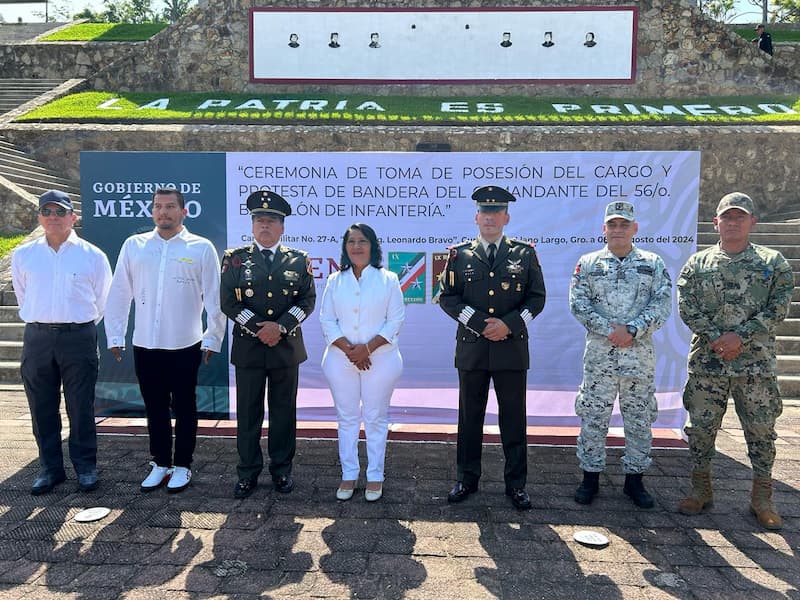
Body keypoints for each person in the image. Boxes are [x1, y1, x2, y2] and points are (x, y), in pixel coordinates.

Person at [677, 192, 793, 530]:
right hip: (708, 364)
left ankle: (762, 498)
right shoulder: (697, 264)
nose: (732, 222)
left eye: (739, 217)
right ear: (716, 222)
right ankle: (701, 490)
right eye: (726, 217)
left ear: (752, 222)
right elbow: (687, 306)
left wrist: (740, 336)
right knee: (700, 429)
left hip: (754, 365)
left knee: (760, 431)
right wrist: (716, 337)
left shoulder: (773, 263)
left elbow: (779, 308)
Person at [105, 188, 226, 494]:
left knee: (185, 407)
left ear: (184, 212)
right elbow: (120, 293)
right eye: (158, 207)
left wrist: (213, 338)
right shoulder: (135, 246)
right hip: (145, 343)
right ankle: (160, 463)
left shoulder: (201, 248)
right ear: (152, 212)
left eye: (170, 207)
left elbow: (215, 297)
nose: (164, 212)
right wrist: (115, 334)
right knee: (154, 407)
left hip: (185, 344)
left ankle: (183, 465)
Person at [438, 186, 546, 510]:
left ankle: (516, 485)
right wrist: (480, 323)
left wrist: (508, 325)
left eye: (496, 212)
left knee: (514, 420)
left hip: (511, 349)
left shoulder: (524, 254)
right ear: (476, 217)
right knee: (469, 419)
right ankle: (466, 479)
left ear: (506, 217)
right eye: (484, 212)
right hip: (472, 349)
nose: (489, 218)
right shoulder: (459, 255)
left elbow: (536, 298)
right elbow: (447, 298)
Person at [569, 201, 672, 508]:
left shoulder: (652, 263)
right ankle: (590, 479)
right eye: (612, 225)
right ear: (604, 229)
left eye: (624, 224)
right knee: (593, 417)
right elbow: (578, 304)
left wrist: (633, 330)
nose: (617, 230)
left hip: (638, 359)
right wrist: (609, 330)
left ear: (634, 228)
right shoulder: (588, 263)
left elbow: (662, 305)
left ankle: (635, 482)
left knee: (639, 419)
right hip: (600, 357)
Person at [11, 190, 112, 495]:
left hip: (78, 337)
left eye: (60, 212)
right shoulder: (24, 255)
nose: (53, 218)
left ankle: (85, 467)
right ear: (40, 217)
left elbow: (103, 300)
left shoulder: (92, 255)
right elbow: (23, 294)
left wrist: (74, 324)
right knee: (41, 406)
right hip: (38, 337)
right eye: (47, 212)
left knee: (80, 406)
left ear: (73, 217)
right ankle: (50, 468)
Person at [221, 190, 316, 499]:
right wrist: (259, 328)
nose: (265, 226)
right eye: (259, 220)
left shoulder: (298, 259)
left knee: (283, 412)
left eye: (271, 221)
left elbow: (307, 300)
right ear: (252, 225)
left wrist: (281, 327)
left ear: (282, 227)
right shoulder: (234, 259)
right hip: (249, 347)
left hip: (286, 348)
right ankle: (247, 472)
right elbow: (228, 304)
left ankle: (281, 470)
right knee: (248, 413)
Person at [319, 224, 404, 502]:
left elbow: (395, 320)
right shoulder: (335, 280)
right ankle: (349, 473)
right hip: (340, 360)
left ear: (373, 246)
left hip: (380, 360)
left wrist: (367, 349)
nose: (357, 246)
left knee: (376, 418)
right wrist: (350, 350)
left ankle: (376, 476)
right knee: (347, 418)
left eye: (363, 241)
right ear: (345, 247)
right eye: (351, 241)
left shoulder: (388, 279)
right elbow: (327, 320)